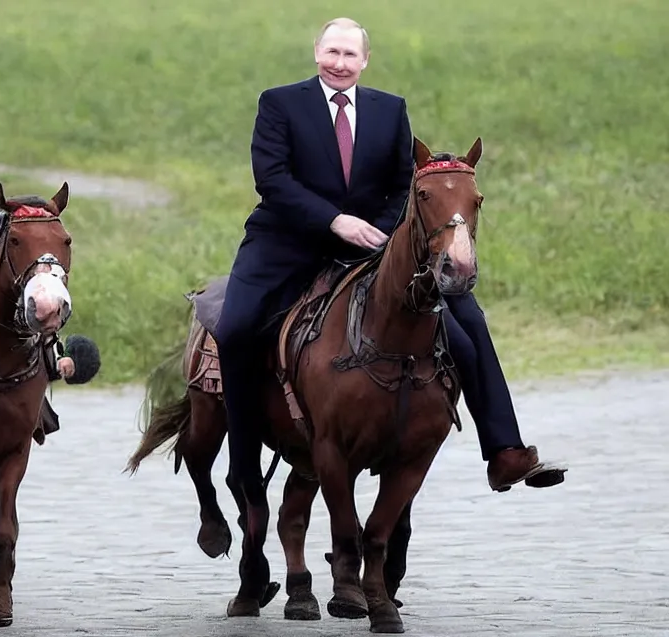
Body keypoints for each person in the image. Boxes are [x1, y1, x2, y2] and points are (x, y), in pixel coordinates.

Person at [215, 17, 566, 518]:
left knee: (466, 319)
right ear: (317, 51)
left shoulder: (389, 109)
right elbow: (272, 179)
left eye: (349, 55)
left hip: (372, 243)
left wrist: (376, 231)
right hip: (284, 240)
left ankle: (504, 450)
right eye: (331, 52)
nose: (339, 64)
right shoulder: (279, 103)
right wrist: (337, 222)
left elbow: (404, 184)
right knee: (235, 328)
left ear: (365, 61)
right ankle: (244, 467)